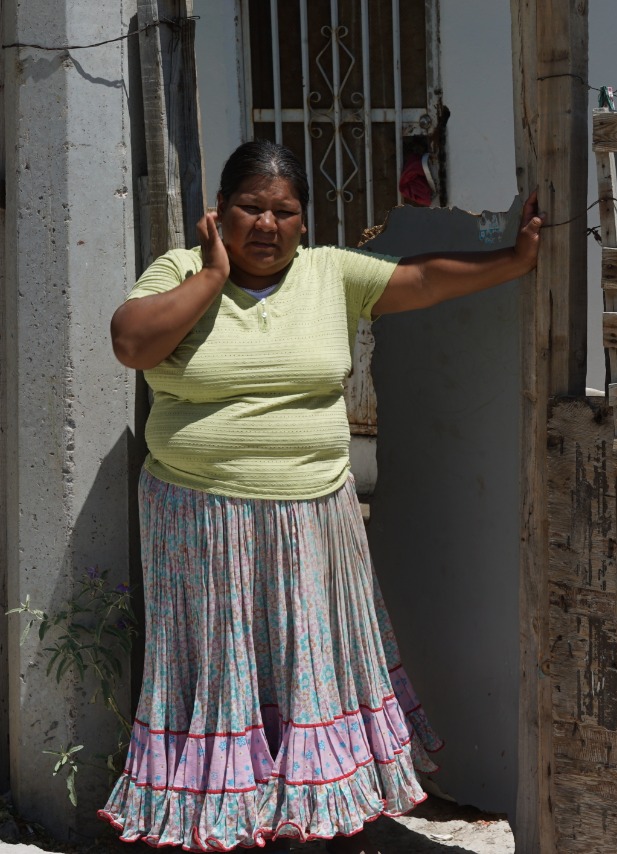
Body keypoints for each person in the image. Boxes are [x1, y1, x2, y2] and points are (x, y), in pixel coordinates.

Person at [101, 140, 541, 850]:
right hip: (200, 517)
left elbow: (422, 281)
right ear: (219, 214)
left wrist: (514, 261)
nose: (267, 225)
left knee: (306, 667)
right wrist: (213, 276)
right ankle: (223, 810)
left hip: (313, 516)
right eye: (251, 208)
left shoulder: (330, 274)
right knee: (224, 672)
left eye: (285, 211)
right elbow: (131, 343)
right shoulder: (180, 271)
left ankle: (305, 811)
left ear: (305, 222)